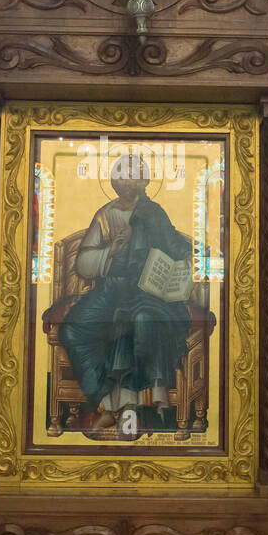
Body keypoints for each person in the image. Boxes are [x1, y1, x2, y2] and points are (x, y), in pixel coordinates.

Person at [57, 154, 192, 433]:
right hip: (110, 288)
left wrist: (180, 261)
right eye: (120, 177)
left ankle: (125, 409)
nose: (126, 183)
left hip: (145, 290)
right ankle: (104, 399)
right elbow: (83, 263)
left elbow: (174, 249)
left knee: (131, 323)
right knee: (72, 330)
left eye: (132, 177)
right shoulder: (105, 215)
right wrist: (111, 253)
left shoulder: (154, 213)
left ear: (143, 181)